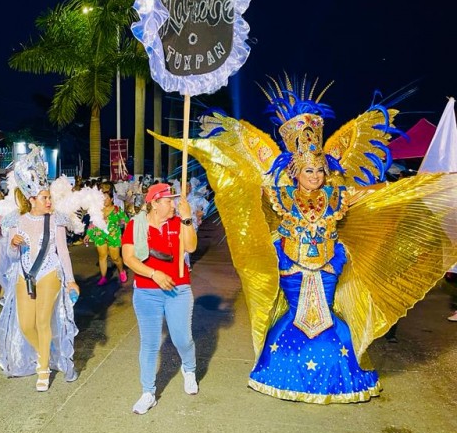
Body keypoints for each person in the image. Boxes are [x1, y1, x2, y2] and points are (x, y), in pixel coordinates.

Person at [153, 75, 457, 403]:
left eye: (319, 171)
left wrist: (414, 190)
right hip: (290, 266)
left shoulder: (337, 195)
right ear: (295, 172)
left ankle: (335, 375)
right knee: (293, 317)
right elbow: (246, 184)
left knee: (330, 320)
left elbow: (374, 195)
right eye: (308, 171)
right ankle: (284, 370)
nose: (314, 176)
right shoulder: (279, 194)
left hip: (328, 266)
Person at [0, 146, 81, 391]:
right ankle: (45, 353)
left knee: (43, 321)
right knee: (26, 324)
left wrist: (70, 280)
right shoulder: (15, 221)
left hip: (50, 272)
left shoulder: (57, 220)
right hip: (24, 276)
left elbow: (62, 252)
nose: (49, 201)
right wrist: (13, 243)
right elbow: (9, 256)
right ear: (31, 199)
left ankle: (43, 370)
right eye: (44, 197)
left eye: (49, 196)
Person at [122, 183, 199, 414]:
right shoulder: (136, 225)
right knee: (150, 342)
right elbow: (129, 258)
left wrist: (187, 219)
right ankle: (148, 392)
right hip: (147, 292)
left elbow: (191, 247)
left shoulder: (178, 222)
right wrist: (154, 274)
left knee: (182, 338)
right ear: (155, 203)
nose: (173, 204)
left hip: (179, 289)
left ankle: (189, 368)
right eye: (168, 200)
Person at [85, 181, 129, 286]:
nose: (104, 201)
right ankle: (103, 277)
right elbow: (92, 224)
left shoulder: (117, 210)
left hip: (113, 236)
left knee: (115, 258)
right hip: (99, 235)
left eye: (106, 198)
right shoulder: (97, 210)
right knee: (102, 256)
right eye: (102, 198)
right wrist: (88, 234)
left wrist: (126, 235)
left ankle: (121, 271)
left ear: (112, 199)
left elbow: (126, 221)